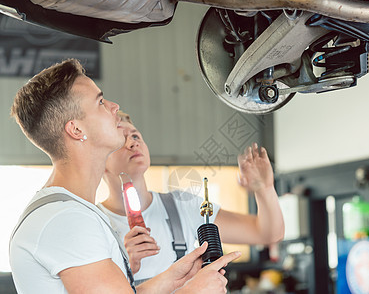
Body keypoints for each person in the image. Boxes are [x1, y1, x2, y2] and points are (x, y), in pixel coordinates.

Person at [9, 59, 240, 294]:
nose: (114, 106)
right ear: (77, 130)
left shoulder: (72, 211)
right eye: (100, 102)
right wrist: (194, 291)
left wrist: (172, 280)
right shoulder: (66, 219)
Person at [99, 110, 285, 282]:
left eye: (135, 135)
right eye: (120, 140)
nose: (133, 142)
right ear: (99, 160)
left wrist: (265, 189)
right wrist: (127, 268)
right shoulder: (93, 222)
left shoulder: (181, 206)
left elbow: (268, 233)